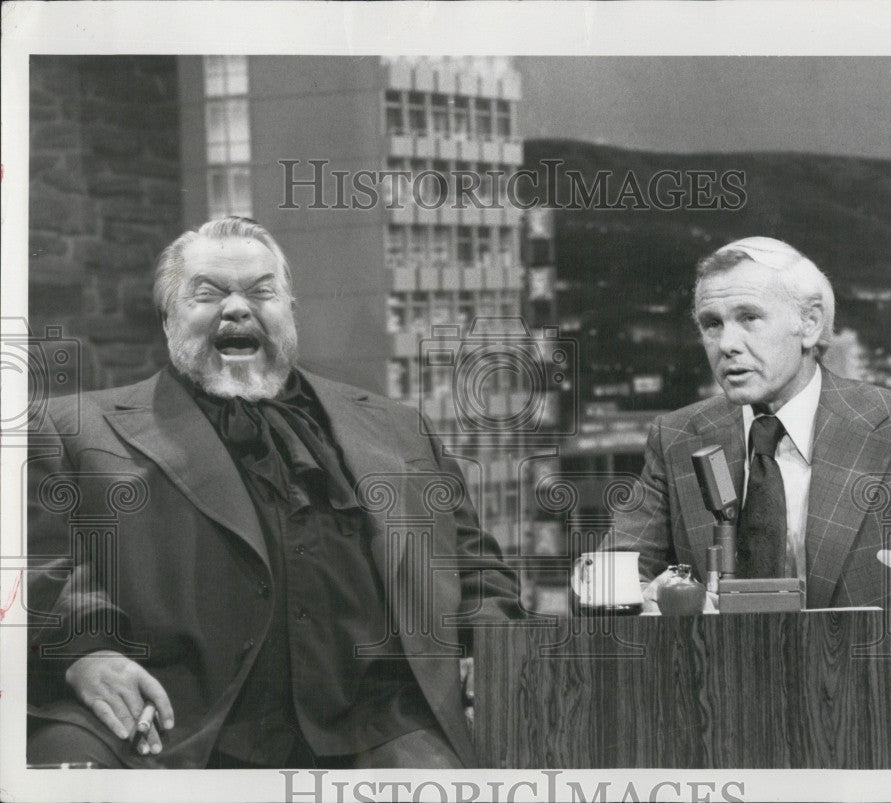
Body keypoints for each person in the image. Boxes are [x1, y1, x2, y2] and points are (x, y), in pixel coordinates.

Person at [27, 216, 522, 769]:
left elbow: (477, 566)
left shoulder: (398, 427)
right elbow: (37, 575)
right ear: (168, 318)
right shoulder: (73, 429)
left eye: (262, 291)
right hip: (177, 723)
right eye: (208, 293)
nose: (237, 308)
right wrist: (83, 654)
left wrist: (489, 648)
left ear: (290, 312)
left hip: (378, 721)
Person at [607, 237, 891, 610]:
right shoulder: (676, 437)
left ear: (810, 323)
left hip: (861, 666)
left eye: (749, 318)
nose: (727, 344)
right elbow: (608, 577)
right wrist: (640, 596)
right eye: (712, 324)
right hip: (717, 666)